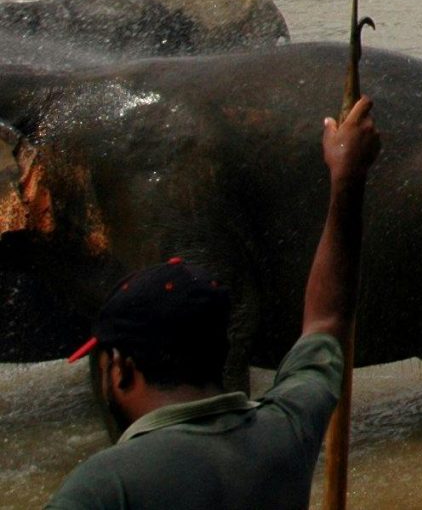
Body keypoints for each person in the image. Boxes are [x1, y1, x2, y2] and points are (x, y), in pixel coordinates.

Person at [47, 96, 381, 510]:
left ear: (121, 369)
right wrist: (347, 179)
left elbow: (326, 321)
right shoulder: (285, 430)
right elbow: (328, 320)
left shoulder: (102, 487)